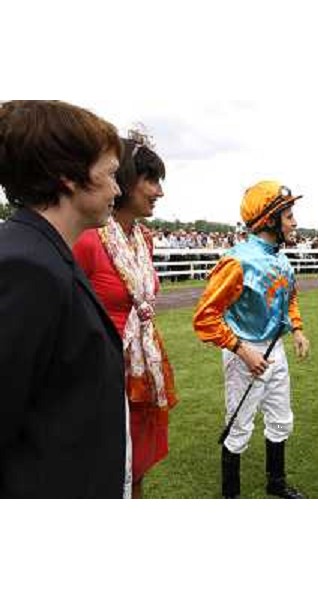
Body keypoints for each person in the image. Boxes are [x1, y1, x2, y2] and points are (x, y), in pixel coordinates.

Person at [0, 100, 127, 498]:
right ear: (67, 177)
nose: (117, 189)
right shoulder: (27, 267)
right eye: (109, 174)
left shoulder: (44, 254)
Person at [73, 136, 177, 499]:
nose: (159, 191)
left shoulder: (143, 239)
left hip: (140, 372)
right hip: (101, 375)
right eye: (151, 179)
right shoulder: (88, 240)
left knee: (137, 467)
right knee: (108, 468)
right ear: (125, 181)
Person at [193, 181, 310, 499]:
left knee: (281, 417)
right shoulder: (237, 261)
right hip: (244, 352)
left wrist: (296, 329)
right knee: (239, 425)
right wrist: (242, 352)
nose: (294, 222)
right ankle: (231, 496)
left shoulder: (282, 259)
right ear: (270, 219)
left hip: (276, 350)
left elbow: (290, 297)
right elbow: (205, 317)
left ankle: (276, 483)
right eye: (288, 215)